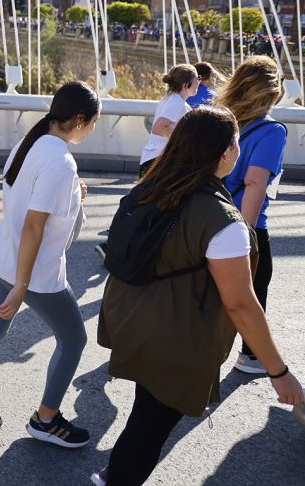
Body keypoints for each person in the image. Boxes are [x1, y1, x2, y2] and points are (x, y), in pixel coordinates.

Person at [93, 106, 304, 486]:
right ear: (225, 153)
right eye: (236, 143)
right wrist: (280, 373)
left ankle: (114, 472)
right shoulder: (221, 220)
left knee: (146, 413)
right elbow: (240, 304)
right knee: (150, 429)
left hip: (131, 318)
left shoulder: (151, 188)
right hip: (175, 338)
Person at [0, 82, 99, 447]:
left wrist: (75, 194)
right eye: (92, 122)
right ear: (78, 119)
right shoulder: (60, 160)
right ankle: (46, 420)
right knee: (74, 339)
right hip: (34, 271)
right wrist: (23, 285)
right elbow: (36, 224)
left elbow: (26, 200)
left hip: (3, 255)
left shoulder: (32, 142)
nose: (92, 129)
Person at [216, 56, 288, 375]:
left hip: (210, 216)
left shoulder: (222, 120)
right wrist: (248, 235)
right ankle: (252, 355)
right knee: (253, 291)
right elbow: (255, 181)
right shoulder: (271, 131)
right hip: (245, 222)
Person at [139, 64, 199, 177]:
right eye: (197, 78)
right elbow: (159, 127)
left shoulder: (172, 99)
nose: (199, 82)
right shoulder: (176, 102)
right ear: (187, 85)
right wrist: (185, 139)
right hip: (159, 161)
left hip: (156, 159)